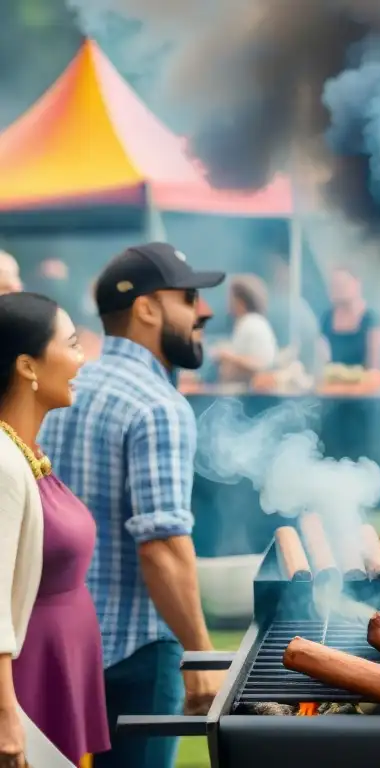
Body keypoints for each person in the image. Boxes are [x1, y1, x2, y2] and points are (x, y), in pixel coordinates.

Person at [38, 243, 227, 768]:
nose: (204, 311)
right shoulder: (158, 405)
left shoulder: (66, 387)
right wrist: (200, 652)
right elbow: (162, 545)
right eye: (189, 297)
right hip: (138, 654)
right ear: (147, 308)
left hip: (61, 643)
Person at [0, 292, 108, 767]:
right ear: (28, 366)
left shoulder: (26, 450)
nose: (82, 358)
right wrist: (7, 719)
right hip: (26, 680)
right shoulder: (3, 462)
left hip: (59, 665)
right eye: (71, 344)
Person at [213, 274, 278, 383]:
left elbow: (261, 363)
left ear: (240, 302)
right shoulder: (257, 322)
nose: (228, 305)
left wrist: (227, 355)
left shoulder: (250, 324)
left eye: (231, 299)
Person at [321, 266, 380, 368]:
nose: (339, 290)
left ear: (357, 284)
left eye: (343, 284)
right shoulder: (326, 319)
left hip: (363, 382)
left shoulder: (371, 320)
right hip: (330, 382)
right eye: (335, 286)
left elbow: (375, 366)